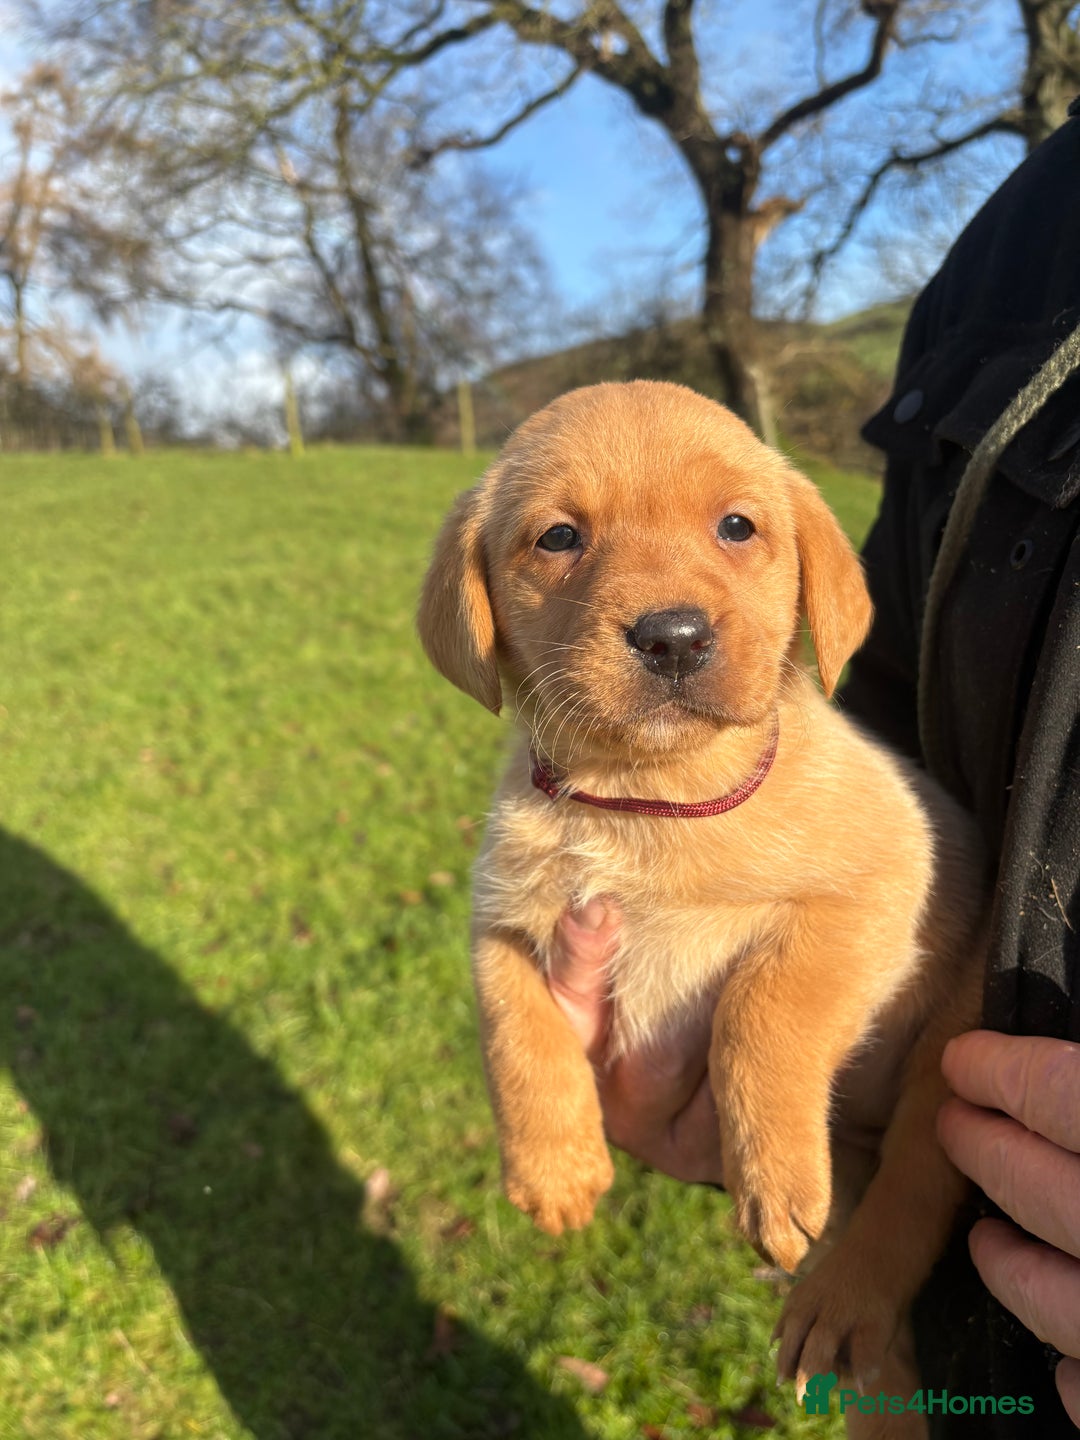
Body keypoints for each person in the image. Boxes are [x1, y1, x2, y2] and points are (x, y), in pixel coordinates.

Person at [544, 109, 1080, 1434]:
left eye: (730, 522)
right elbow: (875, 691)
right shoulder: (1019, 244)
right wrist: (730, 1000)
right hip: (927, 1293)